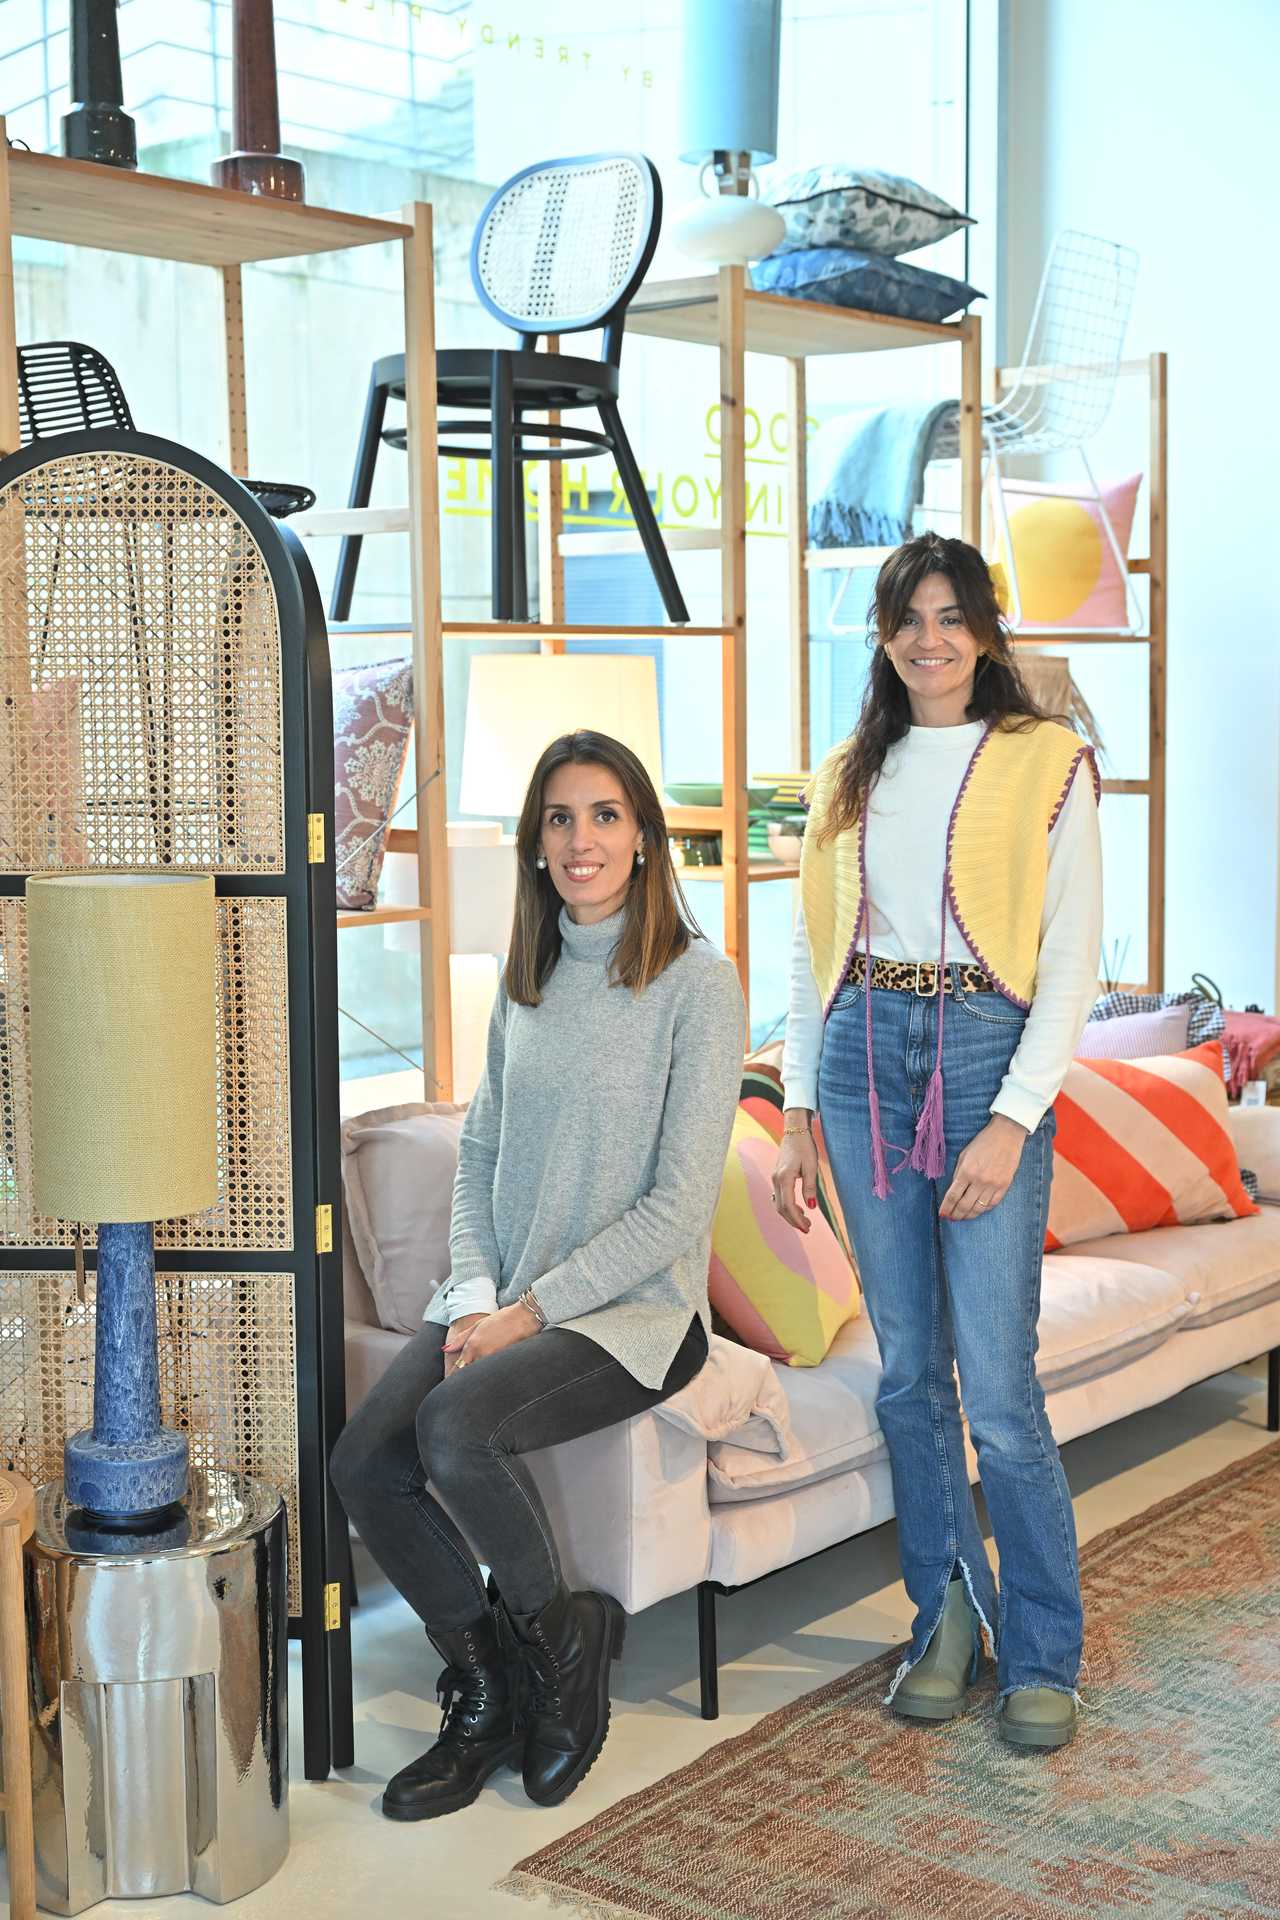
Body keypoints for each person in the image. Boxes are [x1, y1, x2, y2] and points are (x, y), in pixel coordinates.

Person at [331, 729, 745, 1820]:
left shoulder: (698, 985)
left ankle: (563, 1644)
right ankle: (489, 1687)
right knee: (364, 1463)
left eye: (604, 814)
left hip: (634, 1318)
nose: (580, 840)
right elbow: (479, 1153)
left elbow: (676, 1208)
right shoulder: (525, 977)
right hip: (508, 1298)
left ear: (644, 835)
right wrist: (477, 1297)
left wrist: (528, 1313)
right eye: (558, 819)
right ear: (533, 843)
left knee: (456, 1428)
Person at [773, 533, 1102, 1751]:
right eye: (908, 617)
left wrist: (1011, 1119)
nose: (930, 638)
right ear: (881, 634)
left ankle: (1042, 1650)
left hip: (981, 1050)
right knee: (908, 1373)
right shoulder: (845, 773)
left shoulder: (1046, 761)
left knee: (999, 1390)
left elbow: (1069, 960)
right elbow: (809, 955)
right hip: (861, 1053)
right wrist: (794, 1111)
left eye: (952, 616)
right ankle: (945, 1620)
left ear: (984, 633)